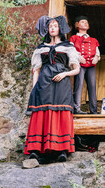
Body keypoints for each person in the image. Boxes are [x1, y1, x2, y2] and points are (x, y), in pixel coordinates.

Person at [25, 15, 80, 164]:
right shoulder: (41, 49)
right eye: (50, 26)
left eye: (55, 26)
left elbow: (76, 69)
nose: (52, 28)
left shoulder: (68, 47)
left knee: (61, 111)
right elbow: (36, 69)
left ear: (60, 28)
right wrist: (34, 87)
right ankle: (36, 150)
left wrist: (64, 74)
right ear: (47, 30)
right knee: (41, 111)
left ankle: (61, 150)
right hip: (44, 82)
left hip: (62, 83)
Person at [70, 16, 100, 114]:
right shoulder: (74, 38)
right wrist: (78, 57)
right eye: (83, 22)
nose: (85, 23)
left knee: (92, 86)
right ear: (77, 25)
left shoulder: (93, 39)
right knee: (79, 85)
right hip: (80, 65)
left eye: (86, 22)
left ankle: (94, 110)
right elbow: (71, 50)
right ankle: (77, 108)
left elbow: (97, 51)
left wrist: (96, 58)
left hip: (91, 65)